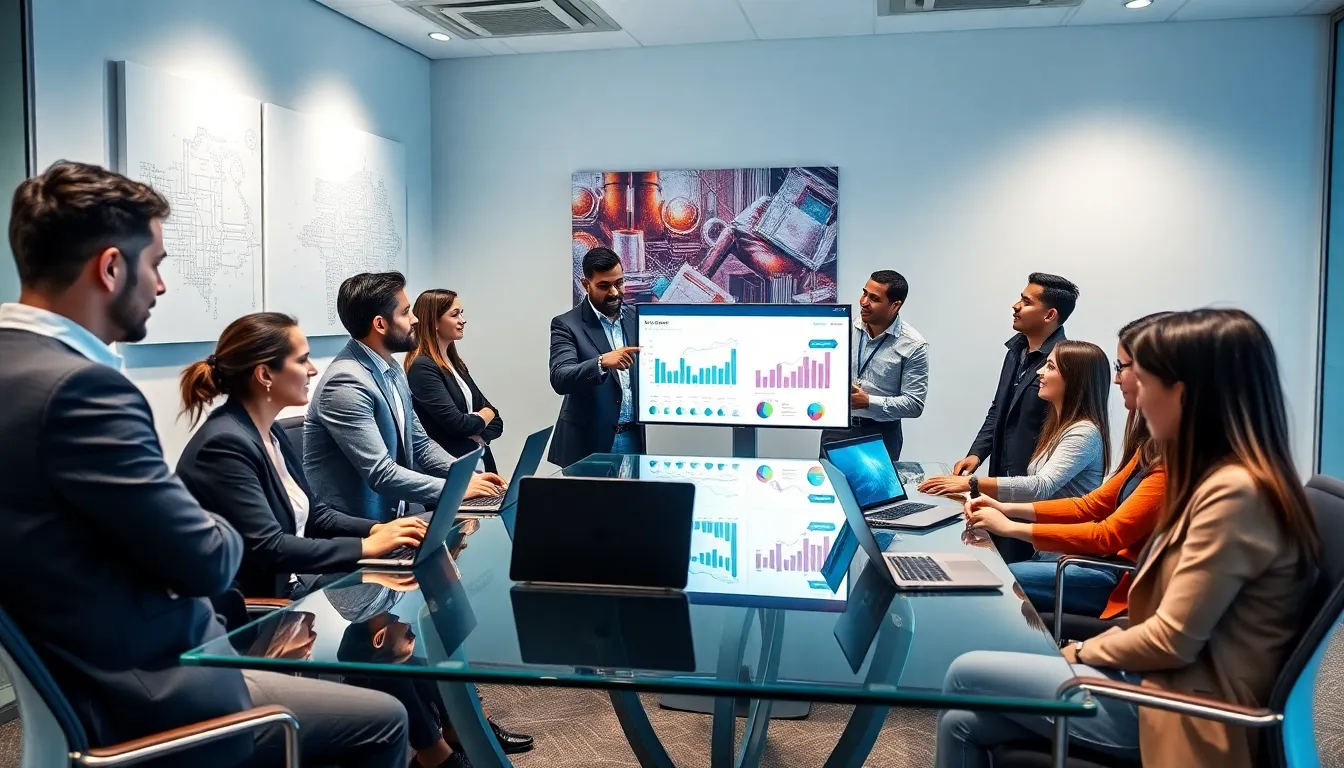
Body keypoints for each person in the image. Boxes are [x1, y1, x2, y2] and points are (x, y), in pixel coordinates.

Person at [0, 160, 409, 767]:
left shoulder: (15, 368)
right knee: (383, 719)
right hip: (156, 689)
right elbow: (210, 558)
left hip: (83, 683)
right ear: (111, 268)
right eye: (157, 264)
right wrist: (194, 519)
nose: (161, 287)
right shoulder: (85, 391)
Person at [936, 308, 1321, 768]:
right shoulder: (1216, 475)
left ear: (1186, 391)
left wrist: (1078, 652)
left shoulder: (1233, 493)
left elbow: (1170, 640)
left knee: (965, 671)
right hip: (1158, 681)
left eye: (1143, 375)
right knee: (960, 722)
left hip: (1179, 708)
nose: (1130, 386)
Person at [176, 312, 430, 600]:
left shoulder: (270, 431)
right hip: (253, 613)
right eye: (301, 360)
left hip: (294, 591)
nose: (312, 370)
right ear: (264, 374)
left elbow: (316, 515)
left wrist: (379, 530)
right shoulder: (224, 445)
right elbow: (269, 548)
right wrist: (365, 547)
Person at [962, 313, 1172, 617]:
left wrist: (1007, 522)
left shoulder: (1158, 458)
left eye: (1122, 367)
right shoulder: (1147, 448)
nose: (1116, 379)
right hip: (1080, 562)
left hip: (1105, 576)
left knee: (988, 580)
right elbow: (1090, 505)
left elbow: (1107, 535)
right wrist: (1003, 509)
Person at [304, 272, 504, 523]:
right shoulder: (345, 382)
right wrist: (455, 488)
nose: (416, 319)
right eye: (406, 312)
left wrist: (466, 478)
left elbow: (421, 445)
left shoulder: (392, 369)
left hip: (397, 518)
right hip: (357, 529)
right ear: (380, 324)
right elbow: (381, 473)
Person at [928, 273, 1079, 562]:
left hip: (1033, 483)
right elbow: (999, 408)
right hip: (1001, 473)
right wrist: (977, 453)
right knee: (999, 556)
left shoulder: (1064, 362)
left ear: (1050, 314)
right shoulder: (1015, 350)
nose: (1015, 306)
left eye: (1026, 301)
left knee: (1019, 566)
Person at [920, 340, 1110, 504]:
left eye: (1050, 367)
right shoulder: (1058, 426)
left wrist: (972, 484)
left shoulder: (1083, 433)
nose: (1039, 372)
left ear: (1074, 380)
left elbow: (1040, 486)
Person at [547, 247, 644, 467]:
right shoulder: (566, 324)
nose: (614, 292)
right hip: (587, 445)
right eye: (604, 286)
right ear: (585, 284)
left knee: (633, 503)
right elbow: (560, 377)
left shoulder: (635, 318)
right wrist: (601, 362)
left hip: (633, 438)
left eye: (619, 283)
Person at [819, 270, 929, 460]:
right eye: (864, 293)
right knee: (832, 488)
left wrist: (869, 401)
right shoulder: (844, 329)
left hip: (881, 434)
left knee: (875, 490)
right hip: (838, 428)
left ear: (895, 306)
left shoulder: (913, 345)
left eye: (874, 298)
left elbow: (914, 404)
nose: (863, 302)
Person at [406, 289, 504, 474]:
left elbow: (496, 418)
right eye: (455, 314)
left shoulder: (456, 364)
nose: (463, 320)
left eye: (461, 313)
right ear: (434, 321)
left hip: (480, 465)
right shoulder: (422, 367)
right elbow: (458, 425)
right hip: (452, 471)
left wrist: (476, 429)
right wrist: (479, 420)